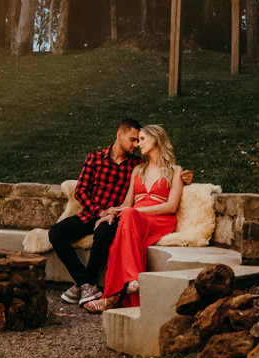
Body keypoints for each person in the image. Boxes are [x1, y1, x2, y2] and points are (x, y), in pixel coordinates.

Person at [49, 118, 192, 308]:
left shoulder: (139, 164)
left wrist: (186, 178)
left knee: (108, 233)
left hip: (127, 217)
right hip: (96, 213)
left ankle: (108, 291)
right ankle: (86, 283)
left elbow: (162, 197)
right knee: (56, 233)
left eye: (140, 140)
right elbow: (82, 191)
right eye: (133, 139)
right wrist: (104, 212)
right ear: (119, 135)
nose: (136, 144)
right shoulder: (101, 160)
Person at [84, 124, 183, 314]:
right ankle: (126, 286)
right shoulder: (138, 170)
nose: (138, 144)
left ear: (156, 139)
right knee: (121, 233)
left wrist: (136, 211)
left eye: (142, 139)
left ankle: (113, 295)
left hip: (159, 220)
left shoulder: (175, 171)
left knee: (126, 223)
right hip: (135, 220)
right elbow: (127, 203)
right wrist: (111, 213)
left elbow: (171, 206)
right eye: (137, 140)